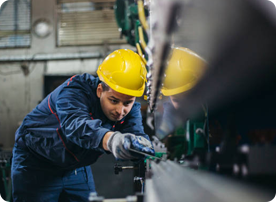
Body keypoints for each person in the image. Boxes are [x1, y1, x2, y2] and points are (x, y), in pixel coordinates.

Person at [11, 49, 155, 202]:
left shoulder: (130, 110)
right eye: (113, 100)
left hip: (75, 168)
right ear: (100, 90)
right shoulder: (75, 91)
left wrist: (144, 151)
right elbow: (76, 126)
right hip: (37, 164)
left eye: (127, 103)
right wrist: (112, 140)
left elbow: (135, 135)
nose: (120, 111)